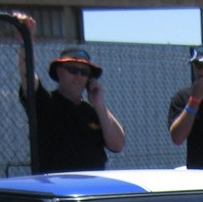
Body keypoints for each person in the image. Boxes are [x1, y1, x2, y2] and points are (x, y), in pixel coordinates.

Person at [14, 12, 125, 173]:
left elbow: (117, 145)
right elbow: (27, 74)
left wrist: (100, 106)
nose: (79, 76)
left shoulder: (93, 112)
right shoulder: (44, 102)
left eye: (84, 72)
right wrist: (26, 42)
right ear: (59, 72)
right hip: (55, 188)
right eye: (72, 70)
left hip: (92, 189)